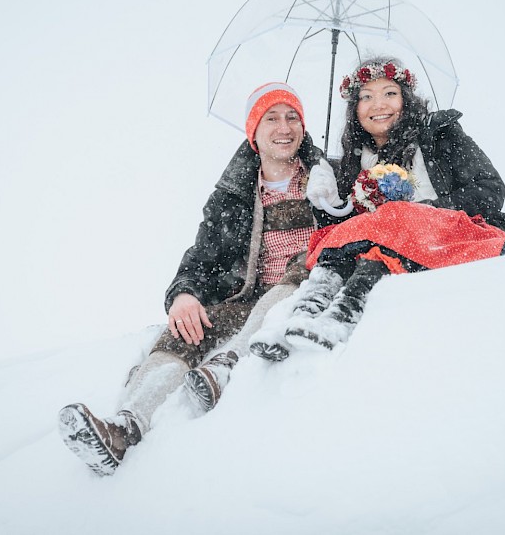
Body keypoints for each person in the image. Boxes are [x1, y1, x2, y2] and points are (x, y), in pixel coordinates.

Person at [250, 56, 505, 356]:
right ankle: (311, 313)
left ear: (405, 98)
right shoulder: (353, 160)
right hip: (394, 253)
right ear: (355, 109)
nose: (377, 105)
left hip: (457, 236)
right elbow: (356, 230)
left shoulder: (438, 134)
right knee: (339, 237)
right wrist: (332, 207)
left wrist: (427, 209)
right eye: (365, 97)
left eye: (388, 93)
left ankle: (340, 316)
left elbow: (490, 190)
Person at [58, 82, 327, 476]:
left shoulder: (328, 177)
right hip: (247, 300)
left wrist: (334, 197)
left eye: (292, 118)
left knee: (296, 273)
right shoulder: (233, 194)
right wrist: (184, 294)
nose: (284, 127)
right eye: (272, 118)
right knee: (184, 332)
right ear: (254, 131)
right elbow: (202, 257)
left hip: (298, 292)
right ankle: (124, 427)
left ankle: (226, 365)